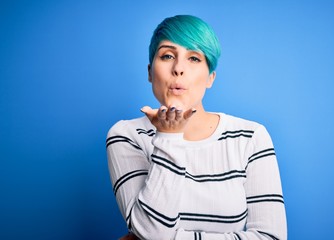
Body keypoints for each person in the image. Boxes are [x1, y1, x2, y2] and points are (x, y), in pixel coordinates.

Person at [107, 15, 287, 240]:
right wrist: (168, 136)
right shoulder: (126, 136)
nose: (178, 68)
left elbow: (272, 237)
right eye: (167, 55)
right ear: (150, 73)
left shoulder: (250, 137)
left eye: (193, 58)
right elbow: (151, 231)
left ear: (210, 78)